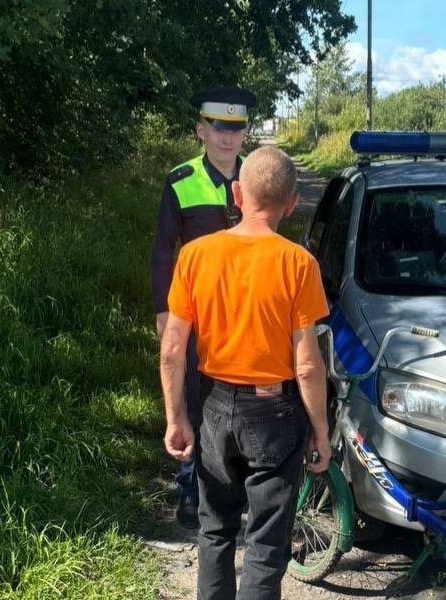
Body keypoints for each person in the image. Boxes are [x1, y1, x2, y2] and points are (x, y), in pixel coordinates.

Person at [160, 146, 331, 599]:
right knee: (265, 544)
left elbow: (173, 349)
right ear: (292, 204)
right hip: (275, 413)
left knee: (214, 531)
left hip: (214, 406)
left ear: (236, 192)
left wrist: (176, 417)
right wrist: (321, 430)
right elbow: (308, 364)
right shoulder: (299, 264)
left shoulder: (195, 256)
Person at [151, 85, 257, 529]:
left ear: (246, 132)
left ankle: (236, 481)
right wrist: (162, 310)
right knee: (194, 395)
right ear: (201, 130)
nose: (227, 138)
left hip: (243, 312)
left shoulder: (256, 179)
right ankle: (190, 484)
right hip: (195, 314)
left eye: (236, 129)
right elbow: (161, 250)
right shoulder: (181, 181)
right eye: (218, 129)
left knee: (243, 396)